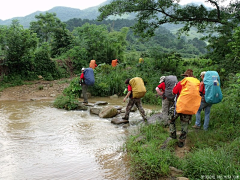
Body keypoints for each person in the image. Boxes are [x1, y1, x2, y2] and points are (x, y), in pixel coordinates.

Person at [169, 69, 194, 148]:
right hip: (189, 108)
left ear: (186, 76)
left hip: (179, 106)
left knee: (171, 119)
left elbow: (173, 92)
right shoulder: (195, 84)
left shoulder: (181, 83)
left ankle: (173, 134)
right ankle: (181, 142)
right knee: (185, 124)